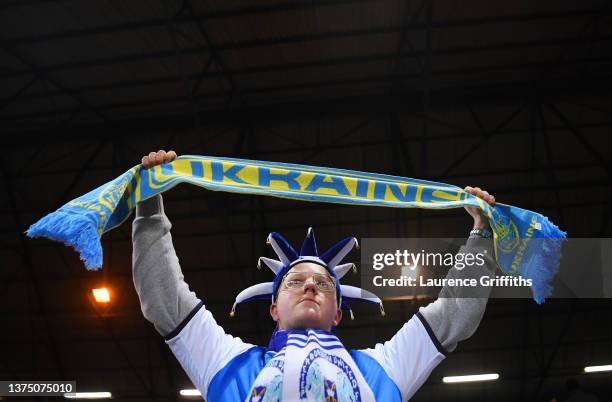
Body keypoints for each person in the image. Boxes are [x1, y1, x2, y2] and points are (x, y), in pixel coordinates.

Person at [133, 150, 499, 401]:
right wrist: (149, 205)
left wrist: (481, 235)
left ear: (338, 313)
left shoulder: (380, 368)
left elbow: (453, 316)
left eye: (323, 283)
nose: (310, 284)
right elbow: (167, 302)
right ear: (273, 308)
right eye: (295, 281)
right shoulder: (230, 363)